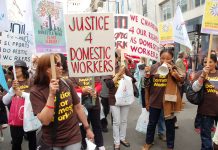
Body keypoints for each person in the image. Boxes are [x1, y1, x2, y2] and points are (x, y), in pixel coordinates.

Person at [30, 53, 94, 150]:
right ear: (47, 69)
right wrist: (51, 95)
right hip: (52, 140)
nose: (62, 67)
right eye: (58, 65)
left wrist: (87, 128)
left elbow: (78, 107)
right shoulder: (36, 91)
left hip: (73, 136)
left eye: (61, 64)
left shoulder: (67, 83)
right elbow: (45, 121)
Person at [142, 48, 184, 150]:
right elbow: (146, 86)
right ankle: (148, 142)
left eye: (168, 59)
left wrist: (171, 71)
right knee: (152, 123)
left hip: (169, 102)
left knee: (170, 125)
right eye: (162, 58)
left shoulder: (174, 68)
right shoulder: (153, 68)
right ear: (159, 57)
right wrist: (146, 75)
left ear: (172, 59)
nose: (165, 60)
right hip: (155, 101)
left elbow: (182, 81)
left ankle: (170, 146)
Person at [104, 53, 136, 150]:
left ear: (117, 58)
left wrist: (125, 73)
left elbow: (133, 80)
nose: (111, 59)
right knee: (116, 122)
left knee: (124, 120)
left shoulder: (123, 67)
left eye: (113, 57)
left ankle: (122, 138)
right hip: (113, 99)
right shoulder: (107, 68)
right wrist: (118, 74)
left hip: (125, 97)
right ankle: (116, 142)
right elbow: (109, 84)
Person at [2, 60, 36, 150]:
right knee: (16, 143)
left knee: (32, 141)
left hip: (30, 117)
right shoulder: (11, 83)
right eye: (13, 68)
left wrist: (22, 94)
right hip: (16, 119)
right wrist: (12, 90)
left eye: (17, 67)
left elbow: (36, 98)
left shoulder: (31, 81)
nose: (14, 70)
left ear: (24, 69)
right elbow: (5, 101)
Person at [71, 76, 106, 150]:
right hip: (81, 105)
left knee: (97, 125)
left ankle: (100, 145)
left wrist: (95, 90)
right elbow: (72, 90)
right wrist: (83, 90)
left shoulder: (92, 70)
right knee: (82, 128)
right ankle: (84, 146)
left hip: (94, 104)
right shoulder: (73, 73)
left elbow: (99, 84)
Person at [192, 54, 218, 150]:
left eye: (210, 62)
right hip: (206, 110)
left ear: (216, 63)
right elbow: (195, 89)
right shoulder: (200, 73)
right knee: (206, 137)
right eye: (205, 62)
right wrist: (203, 75)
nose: (207, 64)